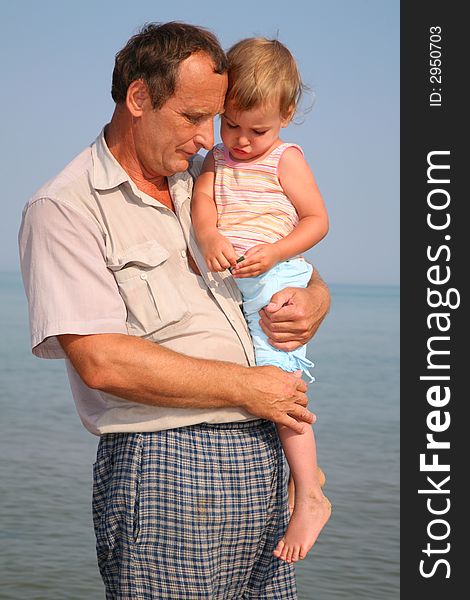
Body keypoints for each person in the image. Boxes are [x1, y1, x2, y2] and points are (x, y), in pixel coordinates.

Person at [18, 22, 330, 599]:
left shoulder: (206, 175)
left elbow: (293, 266)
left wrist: (313, 303)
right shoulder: (64, 208)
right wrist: (251, 388)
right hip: (165, 470)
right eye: (193, 117)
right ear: (139, 99)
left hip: (265, 460)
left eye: (216, 118)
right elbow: (102, 363)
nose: (207, 136)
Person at [192, 37, 331, 564]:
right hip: (236, 287)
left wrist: (274, 252)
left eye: (258, 130)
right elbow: (204, 206)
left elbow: (317, 220)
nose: (243, 142)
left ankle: (310, 497)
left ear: (286, 116)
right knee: (254, 378)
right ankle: (308, 474)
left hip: (275, 280)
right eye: (232, 126)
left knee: (281, 385)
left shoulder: (285, 160)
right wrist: (208, 237)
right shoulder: (214, 159)